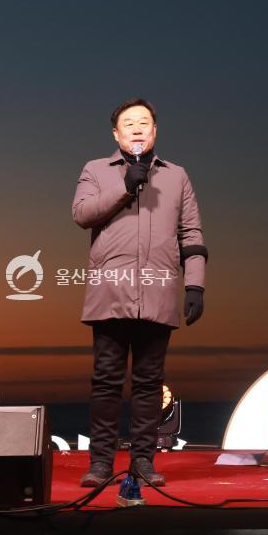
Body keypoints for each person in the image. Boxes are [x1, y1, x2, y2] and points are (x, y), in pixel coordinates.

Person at [72, 98, 207, 488]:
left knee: (150, 383)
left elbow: (191, 232)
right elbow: (82, 214)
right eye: (128, 123)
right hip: (109, 293)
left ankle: (144, 462)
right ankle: (100, 463)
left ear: (155, 131)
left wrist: (195, 283)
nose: (136, 128)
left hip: (159, 292)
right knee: (106, 381)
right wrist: (124, 185)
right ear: (115, 133)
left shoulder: (177, 175)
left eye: (144, 122)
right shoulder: (96, 170)